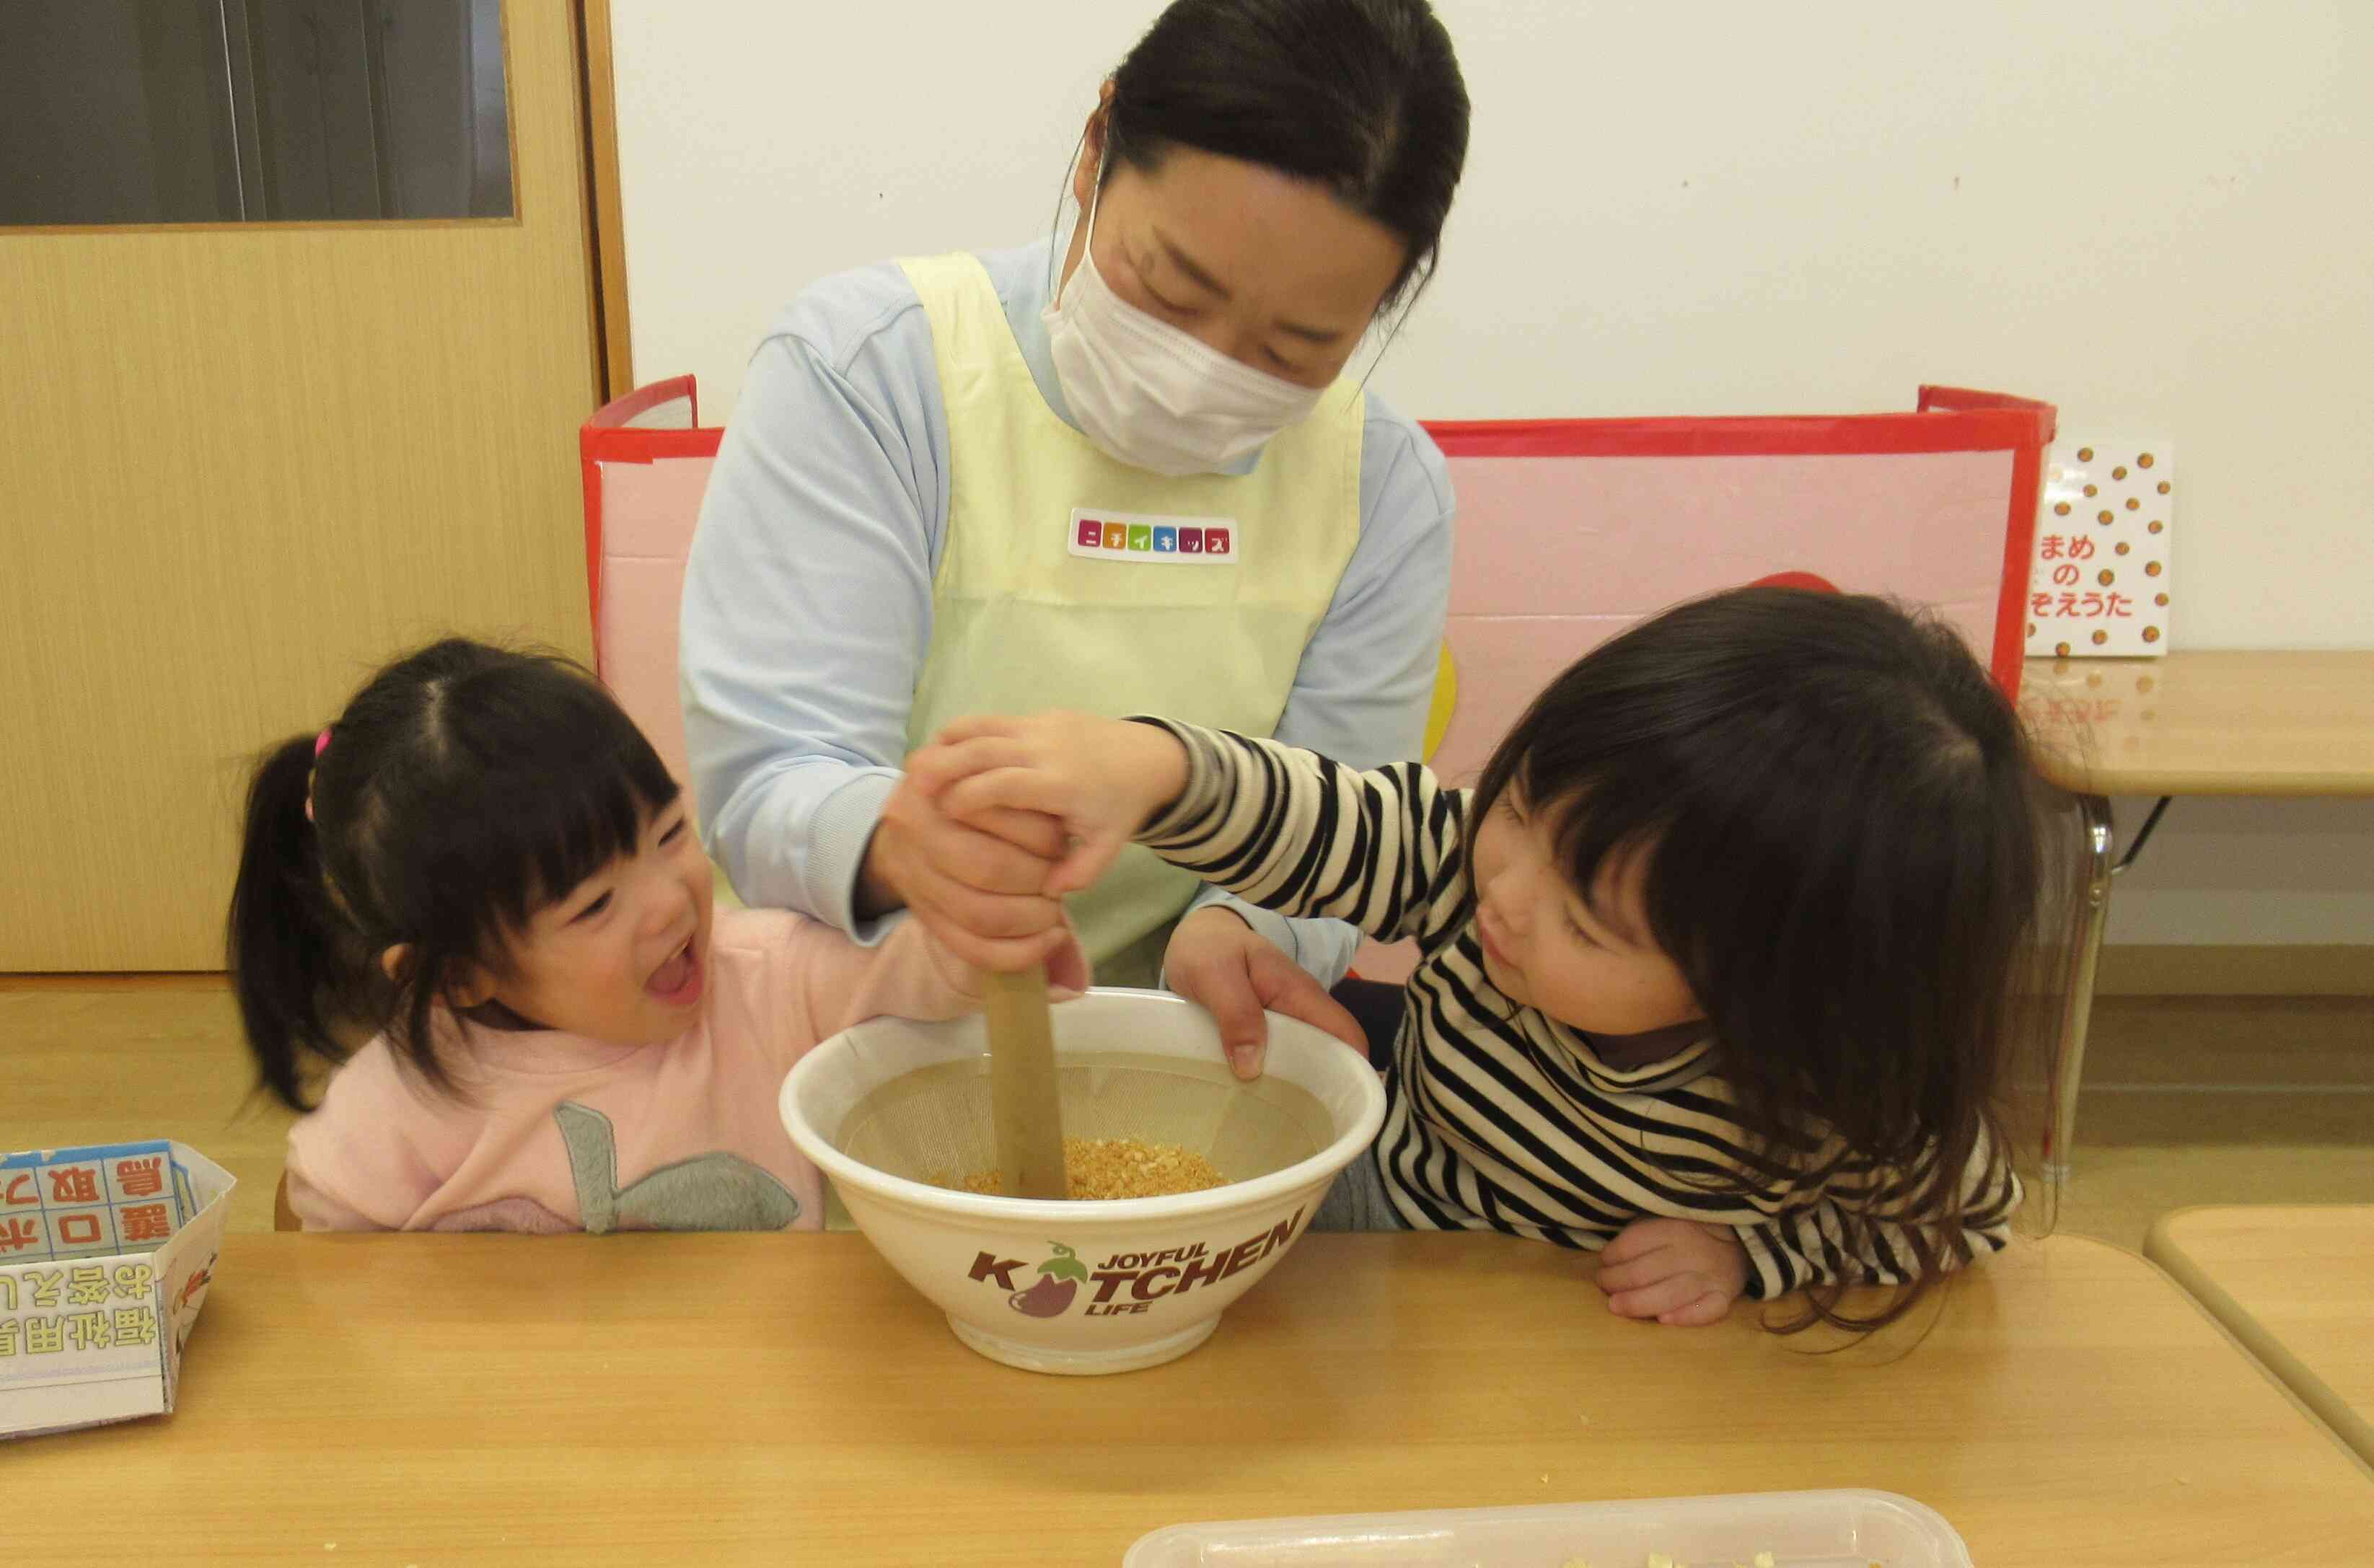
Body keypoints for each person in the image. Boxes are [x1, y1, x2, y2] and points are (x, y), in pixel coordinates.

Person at [907, 587, 2070, 1331]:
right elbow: (1319, 814)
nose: (1505, 895)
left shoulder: (1842, 1095)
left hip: (1566, 1314)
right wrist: (1148, 767)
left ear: (1778, 994)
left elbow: (1952, 1222)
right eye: (1517, 804)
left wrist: (1749, 1251)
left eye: (1588, 923)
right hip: (1387, 1205)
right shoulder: (1483, 866)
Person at [679, 0, 1471, 1077]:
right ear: (1098, 145)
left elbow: (1342, 836)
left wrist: (1243, 931)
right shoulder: (874, 372)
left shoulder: (1379, 485)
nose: (1205, 370)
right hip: (848, 1036)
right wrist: (898, 844)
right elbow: (771, 774)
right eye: (1170, 286)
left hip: (1176, 1059)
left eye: (1294, 347)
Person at [225, 639, 1083, 1233]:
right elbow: (322, 1255)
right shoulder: (405, 1102)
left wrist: (988, 911)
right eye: (596, 904)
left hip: (752, 1425)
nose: (672, 902)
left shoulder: (767, 976)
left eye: (670, 831)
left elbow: (920, 975)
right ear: (460, 976)